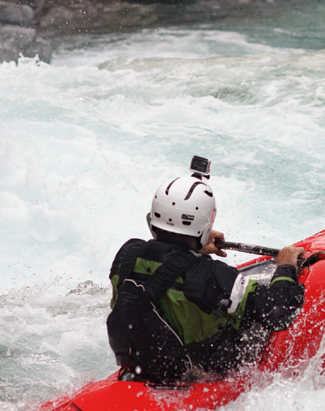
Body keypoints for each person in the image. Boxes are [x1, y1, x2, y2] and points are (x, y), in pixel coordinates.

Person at [107, 157, 305, 384]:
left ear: (152, 221)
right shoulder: (211, 276)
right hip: (195, 368)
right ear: (204, 227)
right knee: (253, 316)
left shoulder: (127, 254)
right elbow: (279, 311)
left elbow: (161, 267)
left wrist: (194, 251)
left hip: (141, 362)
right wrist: (286, 266)